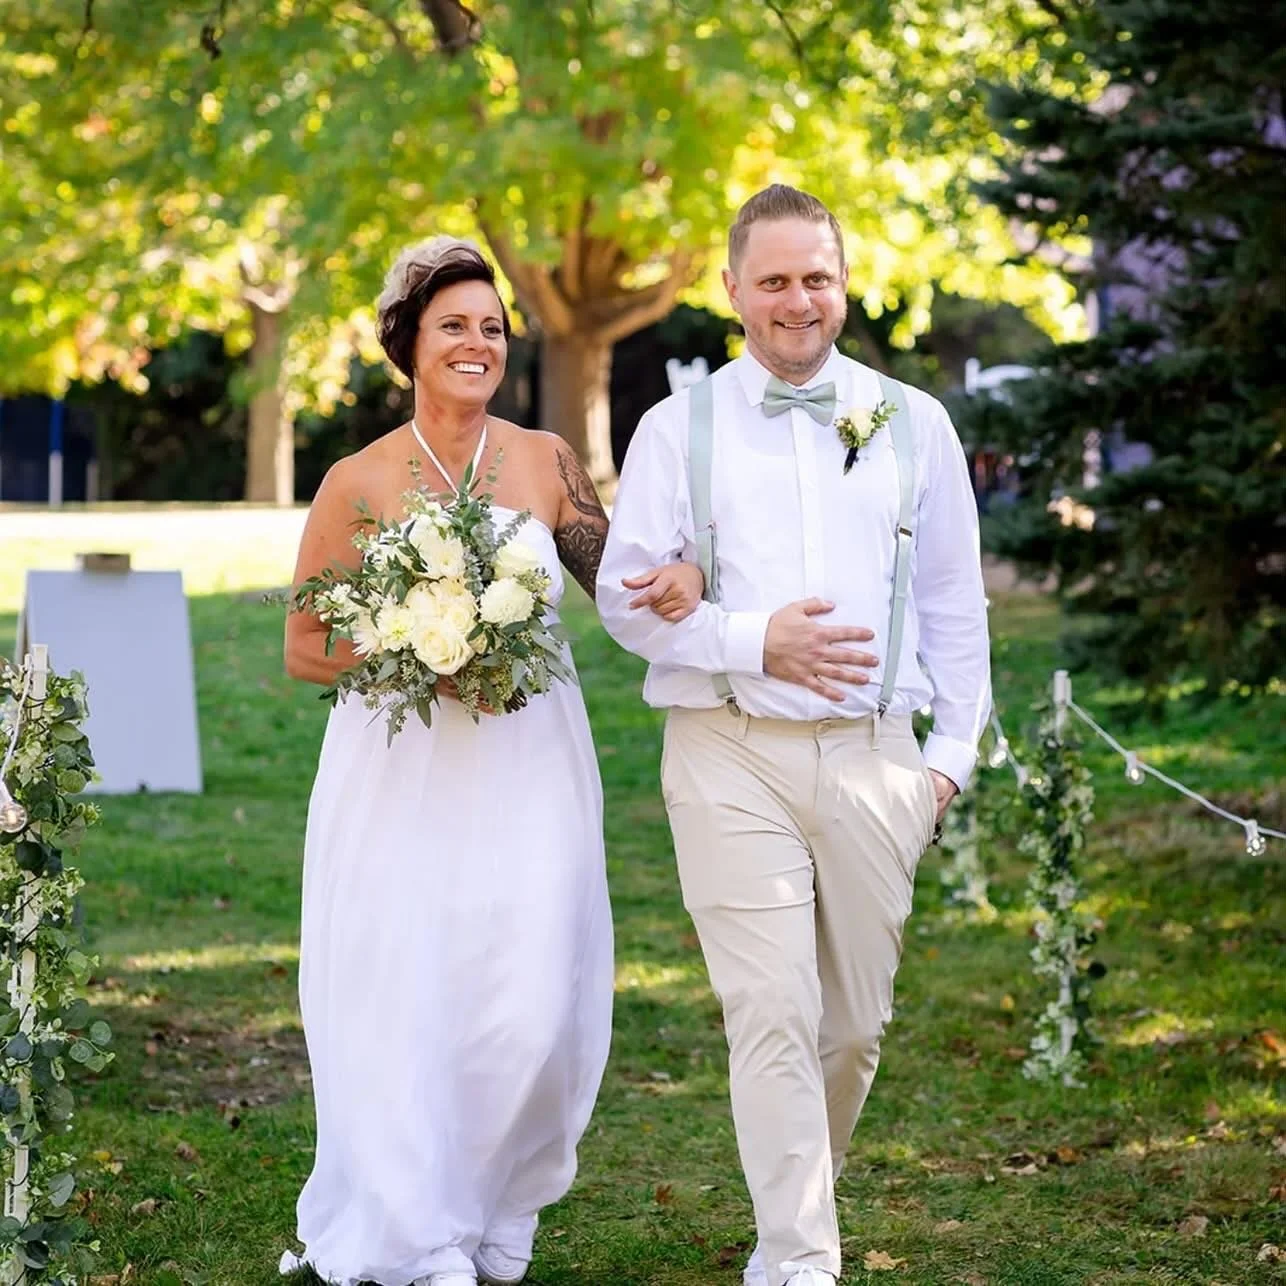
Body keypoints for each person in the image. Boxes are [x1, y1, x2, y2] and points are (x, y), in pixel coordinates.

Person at [280, 236, 703, 1286]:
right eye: (453, 325)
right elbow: (303, 645)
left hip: (529, 761)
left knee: (530, 994)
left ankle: (501, 1203)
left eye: (491, 327)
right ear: (408, 343)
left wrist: (681, 574)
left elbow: (617, 577)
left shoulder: (544, 458)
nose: (477, 343)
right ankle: (421, 1230)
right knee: (408, 985)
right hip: (400, 773)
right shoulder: (358, 478)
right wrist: (420, 644)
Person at [597, 185, 992, 1286]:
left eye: (813, 276)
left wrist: (947, 761)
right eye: (770, 279)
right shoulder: (676, 430)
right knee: (770, 1006)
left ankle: (791, 1218)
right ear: (730, 291)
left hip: (876, 756)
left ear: (843, 281)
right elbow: (627, 602)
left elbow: (957, 603)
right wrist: (742, 638)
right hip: (725, 748)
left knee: (852, 1026)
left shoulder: (914, 422)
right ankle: (800, 1256)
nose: (795, 300)